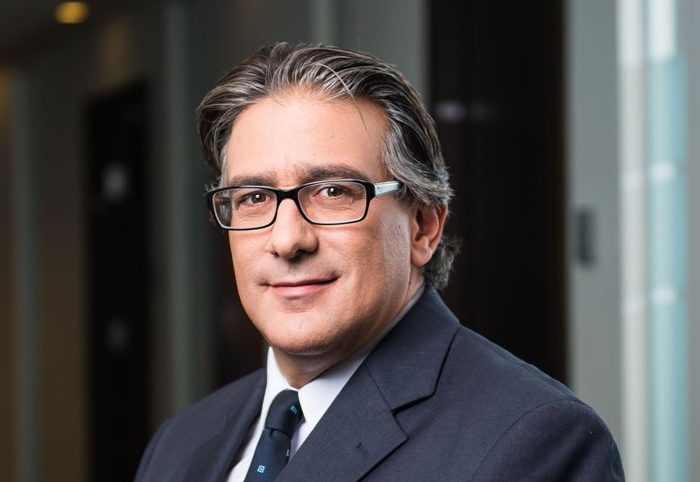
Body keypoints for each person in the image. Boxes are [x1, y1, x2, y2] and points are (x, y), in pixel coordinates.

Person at [134, 42, 624, 482]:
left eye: (333, 191)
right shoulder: (180, 442)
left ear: (423, 226)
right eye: (254, 197)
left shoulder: (534, 441)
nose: (287, 240)